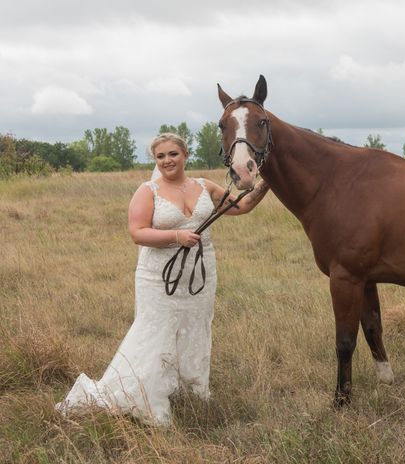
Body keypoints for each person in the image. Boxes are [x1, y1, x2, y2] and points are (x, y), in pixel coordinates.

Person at [56, 132, 269, 425]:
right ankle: (146, 394)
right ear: (155, 160)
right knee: (157, 330)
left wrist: (269, 181)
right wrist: (176, 236)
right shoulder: (148, 190)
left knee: (195, 327)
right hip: (158, 276)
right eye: (161, 156)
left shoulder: (205, 186)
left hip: (200, 272)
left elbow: (242, 205)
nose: (167, 160)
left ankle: (188, 388)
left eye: (173, 154)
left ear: (185, 155)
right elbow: (137, 232)